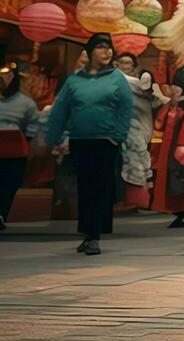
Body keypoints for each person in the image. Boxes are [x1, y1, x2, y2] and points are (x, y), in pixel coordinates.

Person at [46, 34, 133, 255]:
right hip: (80, 140)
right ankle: (89, 233)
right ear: (90, 51)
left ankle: (94, 234)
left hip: (106, 141)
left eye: (109, 48)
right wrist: (53, 138)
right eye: (101, 48)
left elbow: (126, 110)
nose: (107, 52)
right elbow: (59, 111)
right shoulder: (74, 81)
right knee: (85, 187)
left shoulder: (117, 78)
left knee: (101, 187)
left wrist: (118, 136)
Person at [114, 51, 164, 209]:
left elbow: (157, 101)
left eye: (127, 63)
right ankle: (124, 199)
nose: (124, 66)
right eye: (121, 63)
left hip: (139, 130)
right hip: (119, 131)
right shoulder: (114, 82)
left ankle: (137, 200)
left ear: (134, 67)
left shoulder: (140, 84)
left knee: (138, 164)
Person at [150, 64, 184, 224]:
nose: (172, 90)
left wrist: (183, 147)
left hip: (181, 148)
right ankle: (181, 214)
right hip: (172, 148)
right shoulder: (177, 105)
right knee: (176, 180)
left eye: (175, 86)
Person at [0, 62, 41, 229]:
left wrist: (27, 139)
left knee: (9, 184)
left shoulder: (26, 103)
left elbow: (33, 125)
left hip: (15, 151)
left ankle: (2, 214)